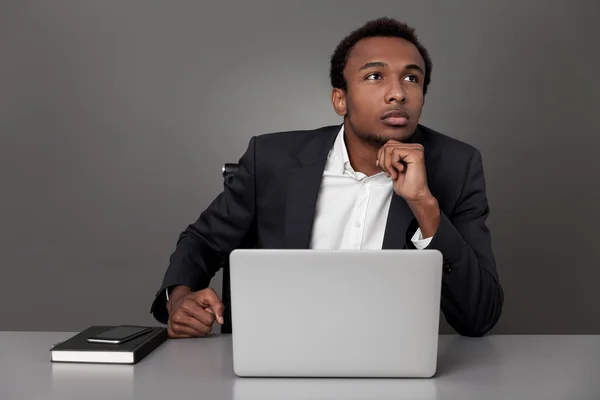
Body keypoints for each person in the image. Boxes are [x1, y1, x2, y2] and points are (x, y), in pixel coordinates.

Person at [150, 17, 503, 338]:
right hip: (274, 353)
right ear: (340, 99)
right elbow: (203, 240)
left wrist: (425, 206)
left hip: (390, 360)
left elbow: (479, 317)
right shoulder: (273, 159)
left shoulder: (457, 167)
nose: (398, 93)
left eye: (412, 78)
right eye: (375, 76)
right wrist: (179, 297)